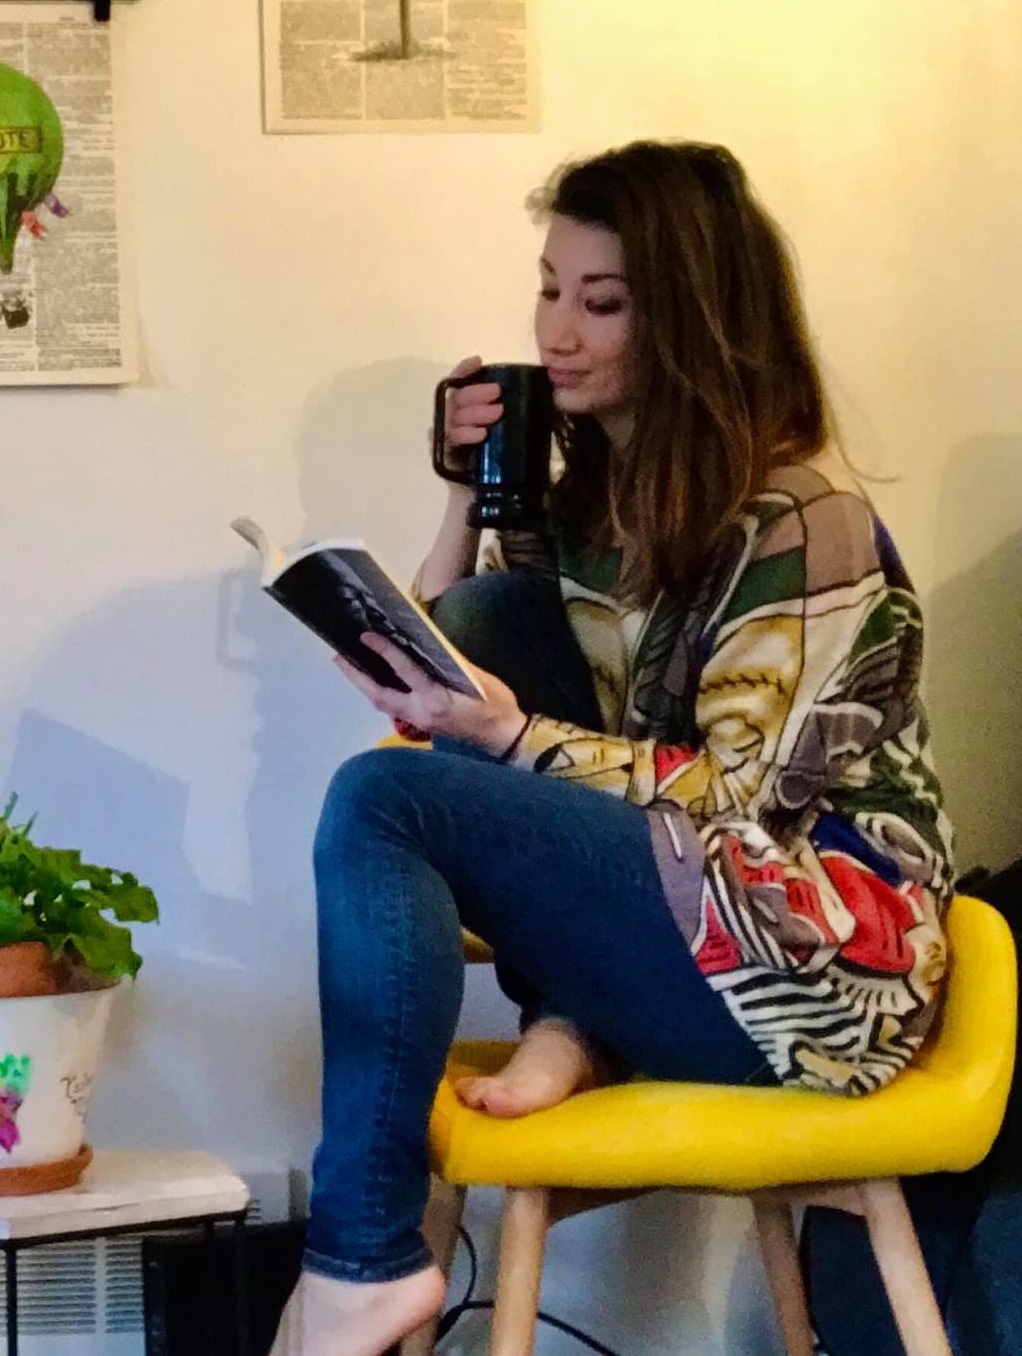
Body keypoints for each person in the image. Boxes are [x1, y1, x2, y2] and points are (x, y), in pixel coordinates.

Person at [270, 141, 953, 1355]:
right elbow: (466, 667)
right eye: (548, 290)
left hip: (814, 968)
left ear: (687, 322)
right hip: (690, 921)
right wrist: (461, 495)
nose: (556, 331)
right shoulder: (599, 517)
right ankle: (576, 1023)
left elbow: (737, 804)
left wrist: (501, 730)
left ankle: (360, 1254)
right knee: (489, 624)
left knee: (381, 798)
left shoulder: (805, 521)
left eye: (601, 302)